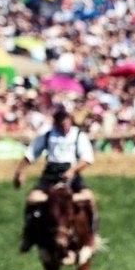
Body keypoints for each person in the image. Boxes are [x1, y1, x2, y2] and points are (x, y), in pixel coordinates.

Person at [13, 107, 97, 253]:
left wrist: (72, 171)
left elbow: (87, 159)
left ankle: (91, 234)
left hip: (72, 172)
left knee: (89, 198)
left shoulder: (78, 136)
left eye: (67, 123)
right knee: (32, 199)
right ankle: (28, 235)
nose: (64, 127)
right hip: (51, 173)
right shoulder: (47, 136)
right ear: (56, 123)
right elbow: (30, 154)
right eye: (61, 124)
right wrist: (20, 172)